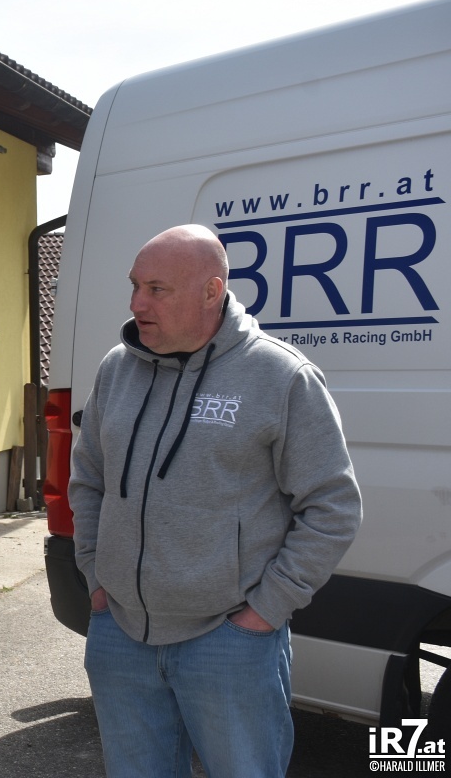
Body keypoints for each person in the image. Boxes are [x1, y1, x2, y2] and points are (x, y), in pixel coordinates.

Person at [68, 224, 362, 777]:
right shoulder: (116, 370)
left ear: (212, 291)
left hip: (229, 641)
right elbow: (88, 479)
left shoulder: (281, 376)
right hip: (121, 634)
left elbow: (332, 508)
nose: (136, 304)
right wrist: (95, 576)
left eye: (157, 289)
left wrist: (265, 612)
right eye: (135, 286)